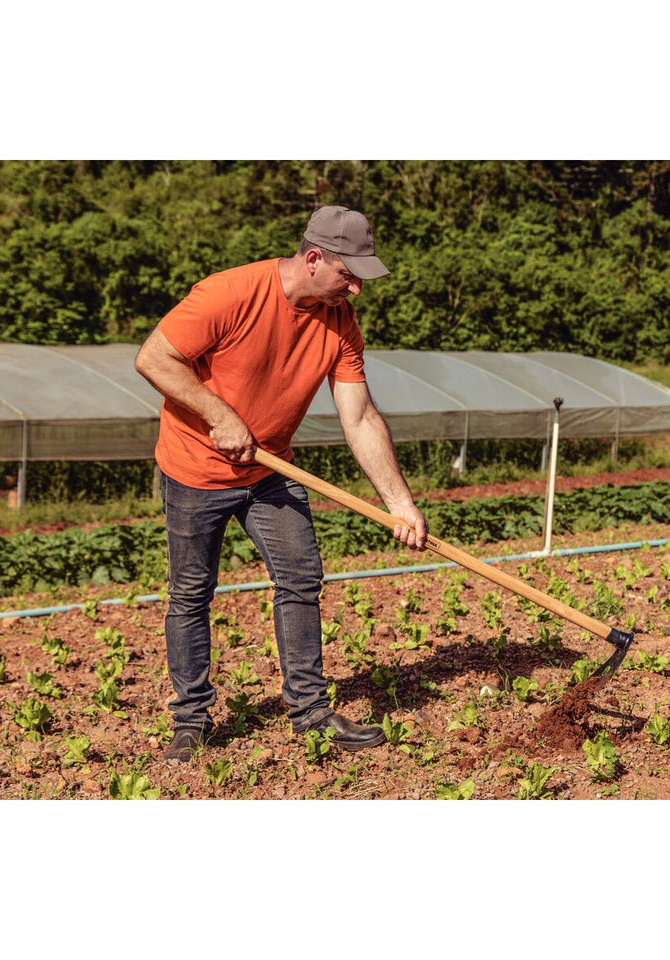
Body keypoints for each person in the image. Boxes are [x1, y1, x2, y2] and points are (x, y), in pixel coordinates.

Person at [134, 206, 427, 762]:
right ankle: (191, 720)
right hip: (194, 469)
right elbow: (154, 358)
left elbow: (359, 416)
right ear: (313, 259)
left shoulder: (339, 321)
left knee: (300, 579)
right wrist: (220, 414)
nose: (357, 289)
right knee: (192, 592)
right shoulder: (230, 293)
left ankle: (311, 714)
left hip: (270, 469)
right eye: (349, 274)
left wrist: (400, 502)